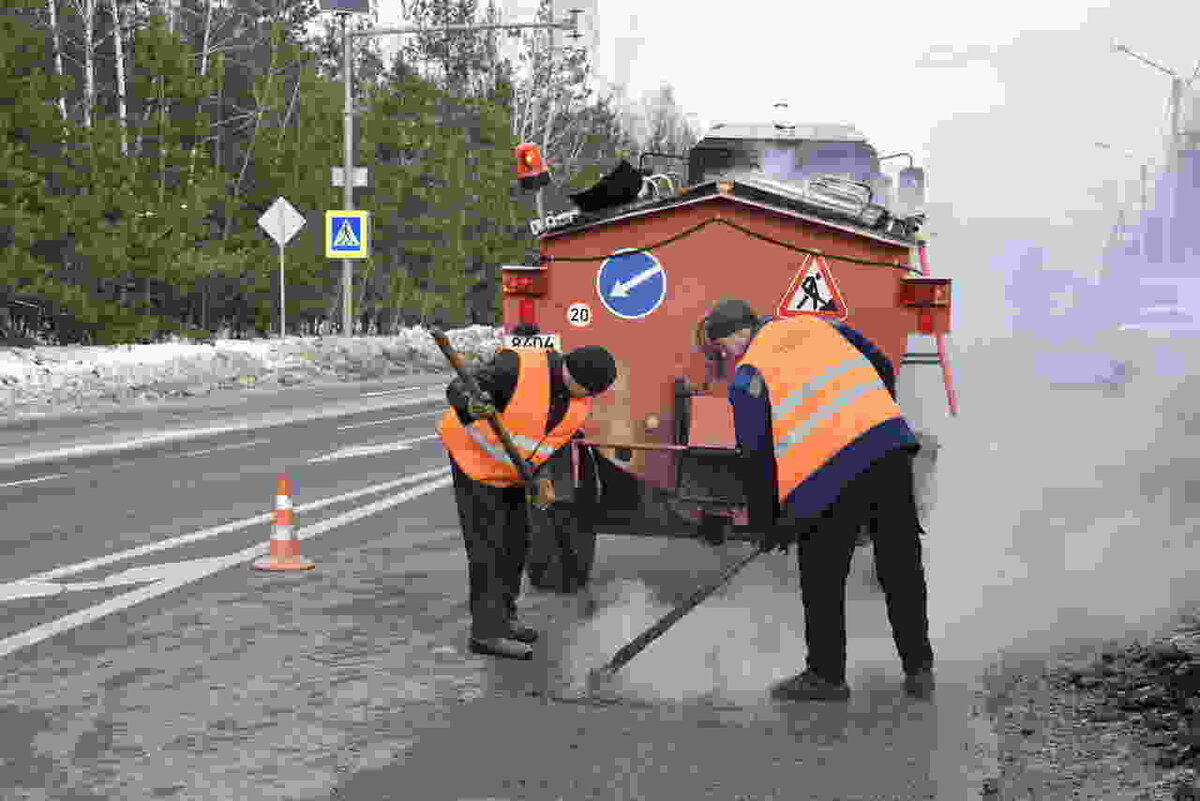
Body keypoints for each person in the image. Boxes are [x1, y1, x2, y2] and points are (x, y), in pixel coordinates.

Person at [701, 299, 935, 701]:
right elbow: (878, 358)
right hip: (888, 446)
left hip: (829, 474)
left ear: (739, 334)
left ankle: (827, 675)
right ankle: (919, 669)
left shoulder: (749, 375)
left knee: (823, 572)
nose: (727, 355)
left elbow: (755, 457)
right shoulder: (818, 326)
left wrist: (768, 522)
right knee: (900, 562)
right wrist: (877, 412)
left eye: (724, 347)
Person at [437, 340, 618, 660]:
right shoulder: (517, 366)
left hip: (514, 471)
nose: (588, 397)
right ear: (572, 373)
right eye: (586, 389)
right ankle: (485, 632)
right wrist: (471, 405)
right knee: (488, 546)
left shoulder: (578, 401)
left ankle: (505, 619)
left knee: (516, 543)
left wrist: (543, 479)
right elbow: (459, 387)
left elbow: (548, 442)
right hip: (473, 463)